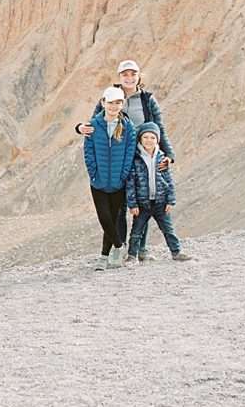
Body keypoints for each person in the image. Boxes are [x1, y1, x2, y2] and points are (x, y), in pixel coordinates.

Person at [74, 59, 176, 261]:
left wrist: (169, 154)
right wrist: (78, 127)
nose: (129, 78)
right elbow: (94, 123)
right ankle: (117, 248)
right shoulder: (111, 96)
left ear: (139, 76)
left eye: (133, 74)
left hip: (143, 156)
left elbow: (159, 128)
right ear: (119, 77)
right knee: (119, 208)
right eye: (125, 74)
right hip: (118, 159)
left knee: (144, 203)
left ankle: (140, 249)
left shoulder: (147, 100)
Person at [83, 86, 136, 271]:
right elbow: (88, 152)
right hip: (98, 182)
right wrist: (94, 173)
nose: (114, 106)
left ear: (122, 104)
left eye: (118, 103)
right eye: (111, 102)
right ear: (103, 103)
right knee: (104, 218)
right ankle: (119, 246)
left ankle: (103, 258)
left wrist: (123, 175)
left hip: (118, 183)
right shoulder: (93, 125)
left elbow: (130, 152)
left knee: (113, 219)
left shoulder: (127, 126)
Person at [124, 122, 192, 263]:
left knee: (168, 229)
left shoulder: (162, 158)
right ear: (140, 140)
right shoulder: (135, 159)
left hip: (160, 203)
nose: (149, 141)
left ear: (158, 140)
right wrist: (132, 204)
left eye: (152, 138)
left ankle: (176, 252)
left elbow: (169, 180)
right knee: (136, 232)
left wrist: (170, 200)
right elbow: (130, 183)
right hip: (142, 204)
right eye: (146, 137)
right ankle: (132, 256)